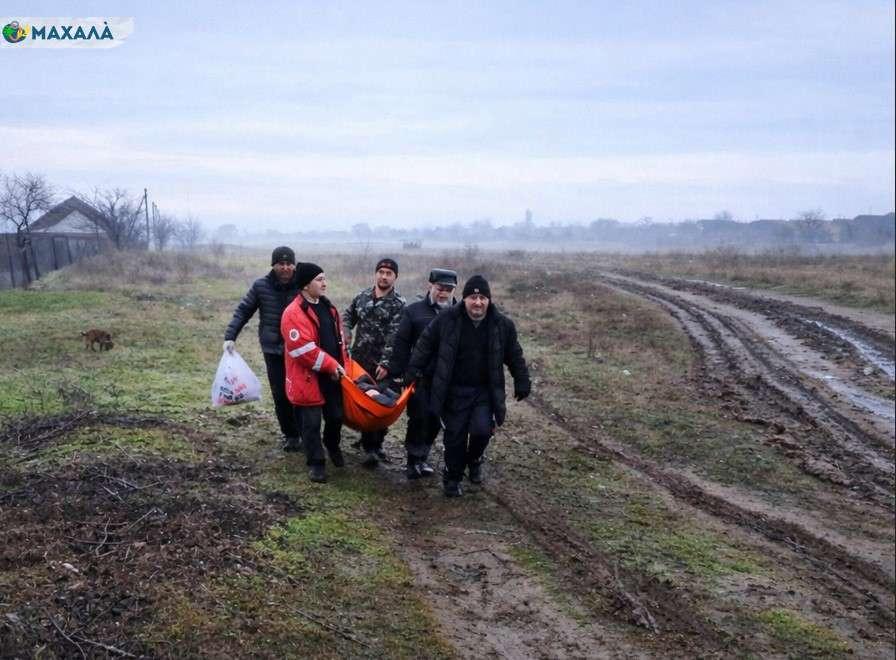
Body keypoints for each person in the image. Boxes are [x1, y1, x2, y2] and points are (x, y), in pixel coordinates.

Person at [405, 275, 531, 497]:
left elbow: (514, 354)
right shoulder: (447, 320)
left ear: (489, 300)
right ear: (464, 300)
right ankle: (452, 477)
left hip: (484, 390)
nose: (478, 302)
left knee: (482, 430)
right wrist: (414, 370)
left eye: (482, 298)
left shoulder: (502, 325)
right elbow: (425, 344)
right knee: (455, 435)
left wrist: (522, 380)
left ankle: (474, 460)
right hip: (453, 390)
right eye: (473, 297)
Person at [379, 268, 458, 479]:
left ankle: (423, 456)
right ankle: (413, 459)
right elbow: (402, 342)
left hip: (448, 379)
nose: (443, 293)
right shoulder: (414, 311)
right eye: (440, 288)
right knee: (419, 417)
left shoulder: (460, 313)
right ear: (429, 287)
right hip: (420, 376)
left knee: (435, 418)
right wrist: (397, 370)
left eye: (448, 289)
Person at [223, 246, 303, 452]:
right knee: (280, 394)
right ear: (273, 265)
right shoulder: (261, 286)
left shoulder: (304, 285)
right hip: (273, 350)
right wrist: (230, 337)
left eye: (288, 264)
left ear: (294, 265)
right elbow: (243, 311)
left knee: (302, 393)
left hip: (300, 351)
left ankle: (306, 433)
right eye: (280, 264)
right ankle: (291, 435)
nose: (285, 268)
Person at [281, 263, 348, 483]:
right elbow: (303, 351)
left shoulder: (330, 308)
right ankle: (316, 463)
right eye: (319, 279)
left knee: (336, 416)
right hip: (308, 379)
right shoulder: (292, 313)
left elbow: (340, 343)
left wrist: (342, 366)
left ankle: (332, 443)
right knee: (310, 425)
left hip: (333, 377)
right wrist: (332, 365)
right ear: (306, 284)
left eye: (324, 278)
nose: (324, 283)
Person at [341, 258, 407, 466]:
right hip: (360, 362)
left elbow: (395, 334)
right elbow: (348, 316)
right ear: (376, 274)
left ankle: (377, 442)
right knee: (364, 402)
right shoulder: (361, 297)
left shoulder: (400, 304)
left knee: (383, 403)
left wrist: (386, 362)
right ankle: (369, 446)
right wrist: (345, 332)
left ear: (395, 277)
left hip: (384, 365)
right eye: (381, 272)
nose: (384, 276)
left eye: (388, 274)